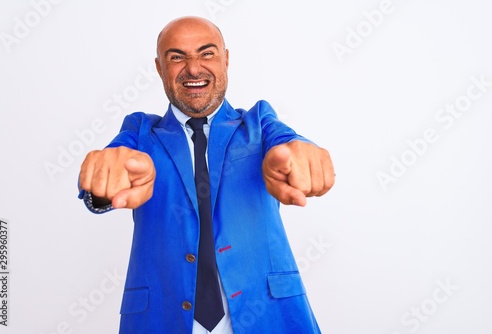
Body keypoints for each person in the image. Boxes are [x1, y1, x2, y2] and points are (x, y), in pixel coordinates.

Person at [78, 16, 335, 334]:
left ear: (226, 59)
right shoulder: (140, 131)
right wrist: (105, 185)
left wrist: (301, 154)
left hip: (266, 314)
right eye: (176, 57)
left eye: (206, 53)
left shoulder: (258, 123)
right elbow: (113, 166)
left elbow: (288, 144)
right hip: (163, 317)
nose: (194, 68)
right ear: (160, 68)